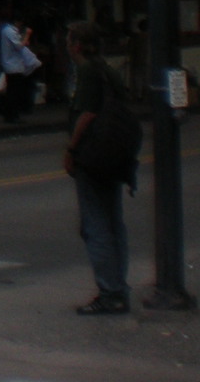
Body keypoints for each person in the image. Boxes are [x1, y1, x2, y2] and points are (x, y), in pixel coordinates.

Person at [63, 21, 134, 315]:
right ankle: (118, 286)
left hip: (95, 155)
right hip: (115, 153)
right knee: (113, 221)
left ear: (76, 45)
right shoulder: (108, 70)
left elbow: (87, 113)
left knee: (96, 225)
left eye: (69, 40)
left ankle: (110, 291)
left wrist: (72, 148)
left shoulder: (88, 72)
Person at [0, 6, 40, 123]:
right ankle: (11, 115)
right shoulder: (9, 31)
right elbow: (19, 46)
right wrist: (27, 34)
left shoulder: (8, 31)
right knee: (13, 91)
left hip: (14, 65)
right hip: (13, 66)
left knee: (13, 90)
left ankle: (12, 114)